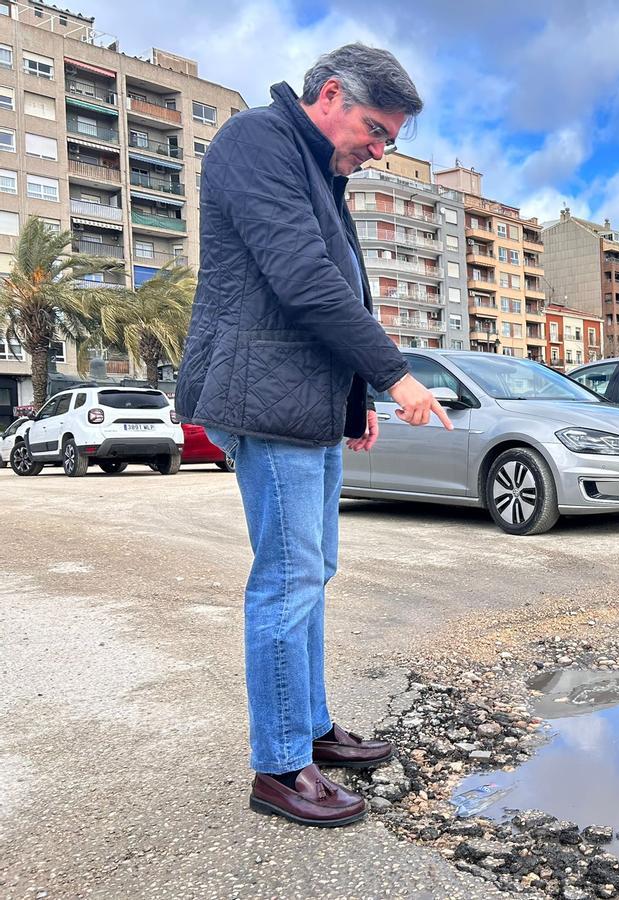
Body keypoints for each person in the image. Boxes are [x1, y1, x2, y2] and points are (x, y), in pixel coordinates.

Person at [174, 43, 452, 828]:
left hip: (304, 399)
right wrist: (394, 374)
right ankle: (279, 767)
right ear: (329, 95)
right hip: (263, 399)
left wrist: (356, 398)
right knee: (288, 579)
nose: (380, 149)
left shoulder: (320, 166)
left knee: (312, 572)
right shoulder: (256, 141)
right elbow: (304, 281)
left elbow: (342, 287)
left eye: (390, 139)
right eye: (375, 129)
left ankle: (311, 726)